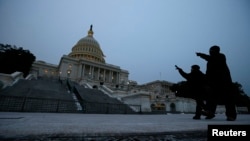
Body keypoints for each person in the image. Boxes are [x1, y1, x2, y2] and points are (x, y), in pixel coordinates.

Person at [196, 45, 237, 121]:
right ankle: (210, 112)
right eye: (210, 51)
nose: (210, 52)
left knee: (228, 99)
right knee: (211, 98)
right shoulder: (210, 61)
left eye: (211, 51)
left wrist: (201, 55)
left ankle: (231, 115)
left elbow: (211, 58)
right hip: (214, 82)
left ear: (216, 51)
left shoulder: (221, 56)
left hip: (224, 81)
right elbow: (208, 72)